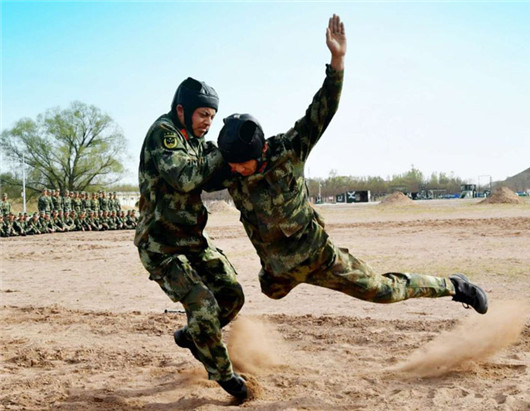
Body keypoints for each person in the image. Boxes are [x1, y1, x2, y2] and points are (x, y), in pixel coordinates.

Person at [216, 14, 488, 316]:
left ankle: (455, 286)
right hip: (277, 272)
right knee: (270, 292)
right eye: (232, 165)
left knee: (384, 291)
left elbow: (322, 109)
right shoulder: (225, 169)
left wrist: (337, 60)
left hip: (319, 257)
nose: (237, 171)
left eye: (243, 164)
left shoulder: (289, 150)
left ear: (262, 149)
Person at [134, 76, 247, 400]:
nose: (208, 123)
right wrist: (220, 155)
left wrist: (240, 157)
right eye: (203, 115)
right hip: (160, 244)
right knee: (203, 303)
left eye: (212, 116)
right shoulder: (164, 133)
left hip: (191, 238)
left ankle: (193, 334)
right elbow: (185, 178)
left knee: (231, 294)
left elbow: (214, 176)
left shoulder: (197, 141)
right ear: (182, 110)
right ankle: (225, 376)